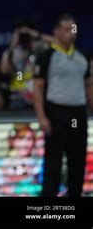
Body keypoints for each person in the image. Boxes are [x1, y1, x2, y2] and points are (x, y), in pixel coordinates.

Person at [33, 14, 93, 196]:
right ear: (56, 32)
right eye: (66, 29)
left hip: (79, 112)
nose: (70, 33)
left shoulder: (82, 57)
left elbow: (88, 85)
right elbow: (37, 88)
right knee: (53, 163)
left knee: (77, 162)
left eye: (73, 29)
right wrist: (41, 116)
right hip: (56, 112)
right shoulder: (46, 55)